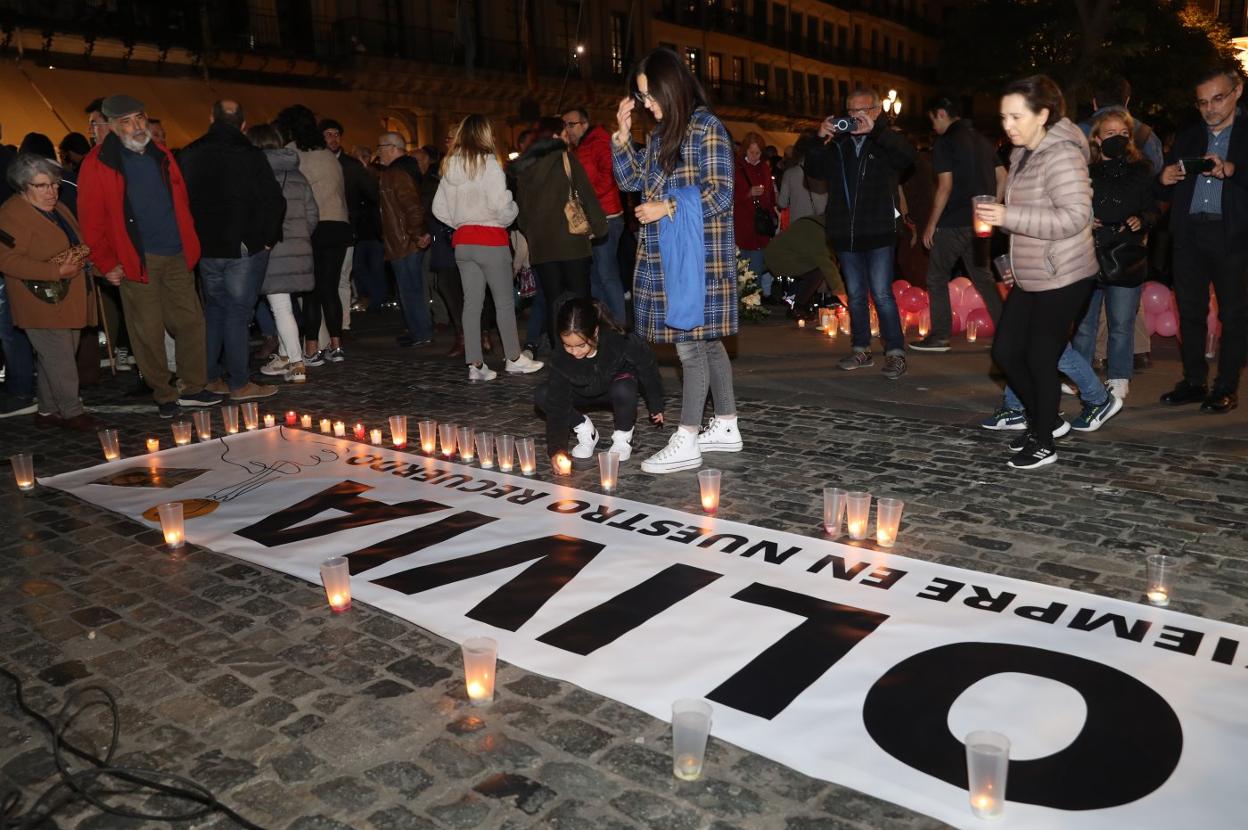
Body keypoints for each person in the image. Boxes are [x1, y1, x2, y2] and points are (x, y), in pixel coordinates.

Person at [612, 46, 742, 474]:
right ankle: (726, 424)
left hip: (696, 256)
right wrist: (620, 136)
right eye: (643, 98)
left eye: (650, 95)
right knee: (708, 343)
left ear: (672, 87)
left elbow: (720, 194)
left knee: (690, 347)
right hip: (668, 252)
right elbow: (632, 180)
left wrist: (667, 207)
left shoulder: (707, 128)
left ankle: (686, 438)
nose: (647, 104)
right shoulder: (659, 134)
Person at [974, 75, 1112, 470]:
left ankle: (1043, 439)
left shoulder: (1063, 155)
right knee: (1004, 351)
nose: (1007, 125)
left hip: (1065, 272)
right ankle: (1046, 418)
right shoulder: (1022, 153)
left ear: (1043, 115)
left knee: (1039, 355)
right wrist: (1012, 258)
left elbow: (1075, 217)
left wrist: (1008, 216)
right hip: (1034, 270)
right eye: (1004, 117)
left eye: (1016, 116)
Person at [76, 94, 217, 418]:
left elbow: (181, 201)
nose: (136, 126)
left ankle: (194, 387)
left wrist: (190, 242)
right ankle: (164, 393)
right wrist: (107, 262)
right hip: (137, 258)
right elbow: (91, 220)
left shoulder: (161, 153)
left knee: (191, 322)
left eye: (139, 118)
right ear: (111, 126)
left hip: (178, 253)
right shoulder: (97, 163)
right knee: (148, 331)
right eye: (126, 121)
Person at [806, 86, 916, 379]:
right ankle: (861, 349)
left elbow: (908, 158)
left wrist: (878, 132)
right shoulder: (838, 144)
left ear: (876, 112)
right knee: (854, 295)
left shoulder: (885, 143)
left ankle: (895, 352)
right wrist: (819, 138)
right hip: (846, 233)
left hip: (879, 232)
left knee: (881, 294)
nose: (855, 117)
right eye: (850, 112)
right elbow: (813, 170)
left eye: (862, 111)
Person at [178, 100, 285, 401]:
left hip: (207, 246)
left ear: (210, 117)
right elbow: (273, 199)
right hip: (243, 245)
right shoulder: (250, 155)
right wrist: (268, 238)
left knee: (214, 312)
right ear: (243, 124)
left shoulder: (189, 153)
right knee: (238, 314)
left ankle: (210, 377)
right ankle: (239, 382)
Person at [1157, 62, 1248, 414]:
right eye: (1202, 102)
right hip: (1190, 233)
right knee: (1190, 312)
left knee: (1233, 315)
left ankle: (1226, 386)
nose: (1210, 108)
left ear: (1237, 92)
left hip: (1231, 236)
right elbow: (1163, 184)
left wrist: (1231, 169)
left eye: (1217, 99)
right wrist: (1162, 178)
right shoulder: (1190, 135)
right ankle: (1194, 381)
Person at [432, 114, 544, 381]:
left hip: (463, 242)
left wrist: (461, 222)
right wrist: (510, 212)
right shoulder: (490, 164)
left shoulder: (449, 166)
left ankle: (475, 365)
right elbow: (502, 206)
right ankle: (514, 358)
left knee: (471, 304)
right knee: (504, 302)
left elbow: (438, 209)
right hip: (491, 239)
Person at [0, 154, 99, 429]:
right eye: (42, 186)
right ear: (23, 187)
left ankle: (47, 411)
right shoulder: (11, 214)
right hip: (38, 300)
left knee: (54, 356)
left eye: (55, 184)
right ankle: (71, 411)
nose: (52, 191)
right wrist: (55, 272)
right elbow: (6, 260)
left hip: (67, 297)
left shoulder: (57, 208)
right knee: (61, 357)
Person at [1071, 108, 1158, 402]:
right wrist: (1086, 218)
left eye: (1123, 134)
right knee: (1084, 324)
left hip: (1126, 252)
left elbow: (1153, 207)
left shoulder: (1142, 169)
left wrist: (1142, 219)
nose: (1117, 139)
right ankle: (1080, 378)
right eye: (1110, 134)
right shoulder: (1085, 170)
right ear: (1096, 138)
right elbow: (1072, 206)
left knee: (1121, 323)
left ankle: (1119, 378)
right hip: (1089, 251)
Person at [912, 95, 1005, 352]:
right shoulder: (983, 141)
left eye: (933, 120)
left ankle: (940, 336)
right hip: (979, 222)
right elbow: (1003, 176)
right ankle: (1007, 335)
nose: (933, 126)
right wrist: (989, 209)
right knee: (984, 278)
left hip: (953, 222)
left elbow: (945, 186)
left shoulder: (945, 142)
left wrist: (931, 224)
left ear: (941, 113)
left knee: (936, 277)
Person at [538, 296, 664, 470]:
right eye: (568, 346)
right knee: (545, 394)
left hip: (614, 388)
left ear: (595, 332)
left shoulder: (618, 341)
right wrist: (557, 450)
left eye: (581, 345)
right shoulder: (561, 357)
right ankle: (584, 430)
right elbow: (558, 403)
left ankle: (623, 436)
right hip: (579, 392)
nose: (574, 352)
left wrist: (656, 403)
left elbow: (647, 366)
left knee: (624, 388)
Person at [513, 117, 607, 347]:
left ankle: (560, 349)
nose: (567, 136)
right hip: (572, 243)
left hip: (542, 247)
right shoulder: (566, 158)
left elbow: (521, 212)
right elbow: (586, 196)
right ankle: (583, 345)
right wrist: (600, 227)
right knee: (579, 299)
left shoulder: (525, 167)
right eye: (564, 132)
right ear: (554, 136)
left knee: (554, 300)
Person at [274, 105, 351, 366]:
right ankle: (337, 346)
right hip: (340, 225)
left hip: (314, 226)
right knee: (330, 288)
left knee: (311, 291)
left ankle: (311, 349)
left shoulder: (293, 153)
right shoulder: (328, 154)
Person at [248, 123, 317, 384]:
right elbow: (312, 214)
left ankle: (297, 363)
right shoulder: (297, 175)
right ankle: (286, 355)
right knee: (285, 305)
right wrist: (299, 236)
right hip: (299, 246)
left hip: (272, 247)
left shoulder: (256, 175)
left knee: (280, 307)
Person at [563, 106, 628, 323]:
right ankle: (603, 321)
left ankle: (618, 323)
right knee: (595, 275)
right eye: (565, 125)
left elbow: (609, 175)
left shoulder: (598, 142)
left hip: (606, 216)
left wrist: (585, 198)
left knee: (606, 272)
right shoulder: (579, 147)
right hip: (592, 217)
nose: (568, 129)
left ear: (584, 124)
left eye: (571, 124)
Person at [377, 131, 434, 347]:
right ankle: (418, 330)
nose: (378, 152)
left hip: (404, 242)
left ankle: (420, 333)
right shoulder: (403, 171)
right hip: (405, 240)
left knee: (410, 289)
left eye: (380, 147)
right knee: (411, 288)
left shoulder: (397, 174)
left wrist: (417, 234)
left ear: (392, 148)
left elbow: (412, 207)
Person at [734, 132, 778, 301]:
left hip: (759, 228)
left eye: (757, 153)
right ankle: (739, 304)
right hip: (741, 226)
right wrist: (748, 193)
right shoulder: (737, 168)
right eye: (751, 152)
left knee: (757, 268)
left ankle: (754, 303)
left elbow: (770, 197)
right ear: (745, 150)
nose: (754, 156)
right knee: (740, 267)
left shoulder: (765, 168)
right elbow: (729, 198)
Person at [777, 133, 828, 225]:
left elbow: (782, 203)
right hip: (821, 223)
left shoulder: (790, 173)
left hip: (798, 225)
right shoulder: (826, 171)